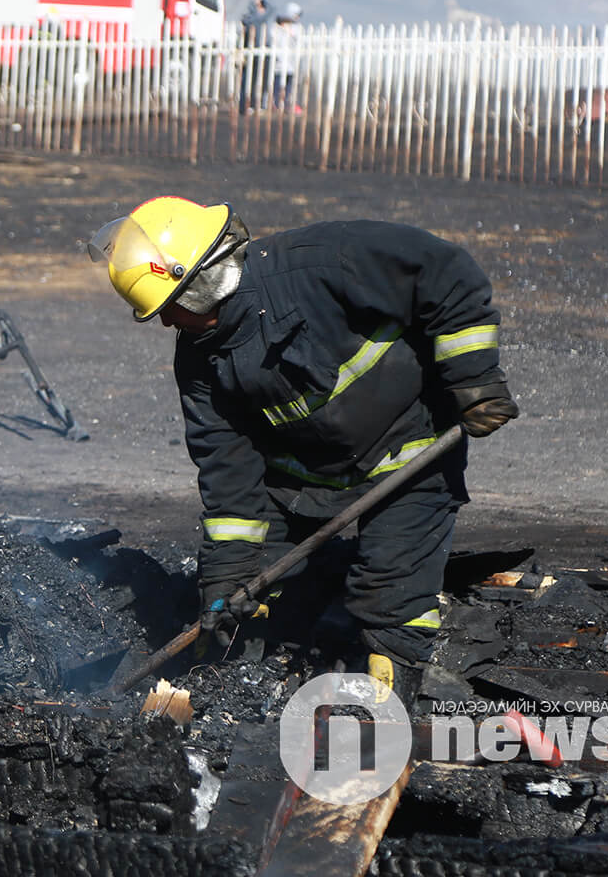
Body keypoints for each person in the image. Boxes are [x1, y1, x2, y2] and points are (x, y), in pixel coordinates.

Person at [86, 198, 518, 702]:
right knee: (239, 600)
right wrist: (228, 572)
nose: (165, 324)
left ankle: (385, 709)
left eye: (171, 308)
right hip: (302, 479)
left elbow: (445, 273)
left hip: (409, 451)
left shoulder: (323, 261)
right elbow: (226, 463)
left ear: (204, 282)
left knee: (390, 594)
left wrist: (474, 378)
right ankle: (224, 695)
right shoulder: (200, 360)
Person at [238, 0, 272, 114]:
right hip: (254, 51)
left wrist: (262, 0)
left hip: (259, 51)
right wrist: (260, 1)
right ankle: (248, 104)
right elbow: (271, 9)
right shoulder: (255, 17)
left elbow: (270, 10)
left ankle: (251, 104)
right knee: (251, 79)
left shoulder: (251, 17)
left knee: (255, 79)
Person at [272, 1, 302, 114]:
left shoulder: (296, 28)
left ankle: (287, 104)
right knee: (278, 84)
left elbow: (296, 39)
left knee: (289, 85)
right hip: (280, 62)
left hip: (291, 62)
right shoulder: (277, 27)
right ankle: (276, 103)